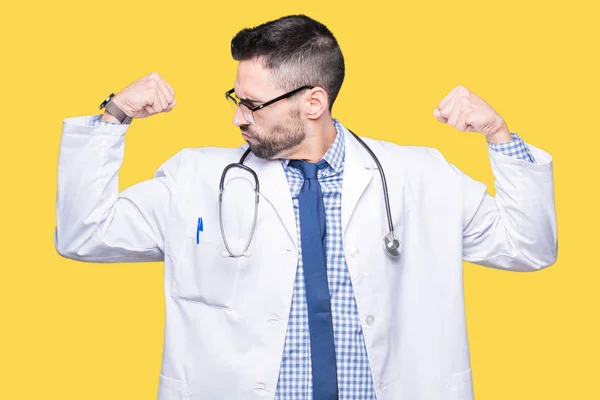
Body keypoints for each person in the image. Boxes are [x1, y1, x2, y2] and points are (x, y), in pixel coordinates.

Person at [54, 14, 557, 400]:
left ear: (313, 102)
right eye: (236, 97)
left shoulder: (420, 177)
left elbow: (528, 247)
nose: (236, 118)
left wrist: (499, 136)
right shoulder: (194, 178)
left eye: (252, 104)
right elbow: (84, 235)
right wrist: (114, 115)